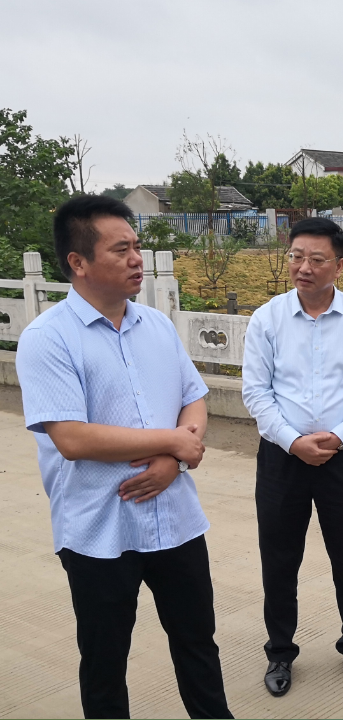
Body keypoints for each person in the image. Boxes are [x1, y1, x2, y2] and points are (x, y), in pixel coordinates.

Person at [15, 196, 232, 719]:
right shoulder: (47, 339)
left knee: (198, 642)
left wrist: (175, 458)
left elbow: (192, 397)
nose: (137, 258)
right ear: (78, 262)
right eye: (121, 249)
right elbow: (72, 438)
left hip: (175, 520)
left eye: (137, 245)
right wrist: (172, 442)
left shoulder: (156, 325)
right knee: (105, 660)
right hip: (99, 529)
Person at [242, 218, 343, 697]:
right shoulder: (267, 319)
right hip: (281, 458)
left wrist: (340, 437)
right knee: (279, 559)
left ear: (339, 265)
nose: (303, 267)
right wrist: (293, 441)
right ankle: (280, 652)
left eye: (316, 259)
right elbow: (256, 392)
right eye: (295, 256)